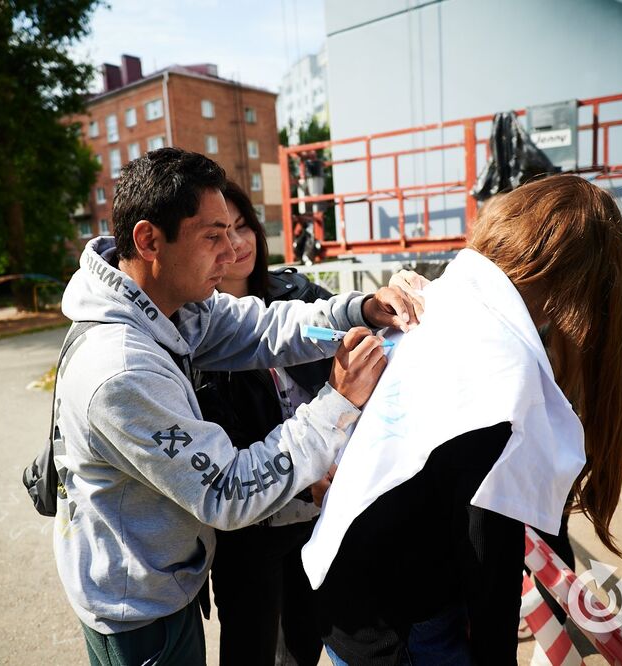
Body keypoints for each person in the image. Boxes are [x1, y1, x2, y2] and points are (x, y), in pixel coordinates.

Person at [51, 147, 420, 665]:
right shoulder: (122, 369)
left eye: (233, 230)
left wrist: (357, 310)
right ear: (148, 240)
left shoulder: (166, 307)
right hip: (137, 611)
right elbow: (227, 489)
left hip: (163, 581)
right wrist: (336, 402)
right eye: (212, 236)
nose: (231, 253)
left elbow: (262, 327)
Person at [303, 174, 622, 665]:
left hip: (348, 586)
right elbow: (487, 548)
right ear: (577, 284)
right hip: (405, 623)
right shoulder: (501, 369)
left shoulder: (444, 304)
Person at [191, 181, 331, 666]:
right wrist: (299, 485)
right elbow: (216, 448)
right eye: (219, 233)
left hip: (323, 512)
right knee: (252, 645)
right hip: (252, 524)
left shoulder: (300, 295)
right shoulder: (192, 333)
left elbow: (355, 369)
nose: (237, 242)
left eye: (243, 225)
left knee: (307, 641)